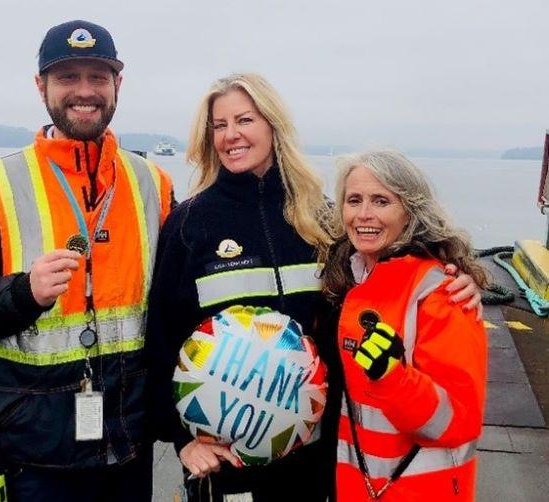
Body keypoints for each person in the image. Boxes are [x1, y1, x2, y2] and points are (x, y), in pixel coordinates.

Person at [144, 73, 481, 502]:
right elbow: (159, 341)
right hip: (228, 462)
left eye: (244, 120)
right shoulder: (190, 225)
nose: (231, 135)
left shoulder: (320, 218)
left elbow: (387, 260)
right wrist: (181, 439)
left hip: (317, 460)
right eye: (219, 125)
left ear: (272, 125)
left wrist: (459, 270)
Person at [0, 20, 173, 502]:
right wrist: (23, 292)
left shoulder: (154, 184)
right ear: (41, 87)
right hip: (34, 454)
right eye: (67, 78)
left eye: (98, 77)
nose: (85, 92)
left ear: (118, 85)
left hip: (128, 445)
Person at [318, 150, 488, 501]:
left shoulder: (443, 294)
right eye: (354, 200)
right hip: (358, 487)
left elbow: (457, 422)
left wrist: (392, 376)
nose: (364, 214)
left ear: (410, 211)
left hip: (420, 491)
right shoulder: (347, 281)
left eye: (381, 201)